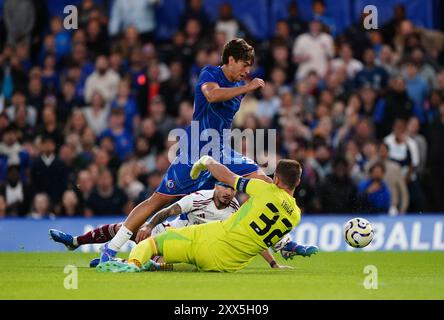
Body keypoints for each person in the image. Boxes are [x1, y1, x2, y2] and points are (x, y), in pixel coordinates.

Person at [98, 39, 270, 263]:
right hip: (195, 150)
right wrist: (247, 87)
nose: (248, 71)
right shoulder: (210, 74)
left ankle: (275, 240)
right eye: (244, 64)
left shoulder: (240, 85)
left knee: (264, 181)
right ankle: (110, 250)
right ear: (231, 60)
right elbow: (212, 95)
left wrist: (243, 88)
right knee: (158, 200)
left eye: (250, 66)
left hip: (221, 150)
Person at [96, 157, 318, 273]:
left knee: (151, 245)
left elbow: (228, 176)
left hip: (211, 239)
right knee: (182, 265)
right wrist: (276, 262)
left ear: (276, 179)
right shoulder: (295, 216)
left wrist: (207, 161)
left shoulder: (266, 189)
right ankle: (151, 265)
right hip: (229, 265)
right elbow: (264, 238)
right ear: (298, 182)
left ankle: (131, 264)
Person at [49, 183, 314, 269]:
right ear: (216, 185)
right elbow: (170, 209)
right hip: (175, 233)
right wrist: (151, 224)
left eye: (232, 191)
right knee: (128, 226)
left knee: (168, 263)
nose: (228, 194)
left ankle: (124, 264)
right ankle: (75, 242)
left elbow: (254, 239)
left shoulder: (235, 210)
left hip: (201, 250)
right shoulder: (199, 198)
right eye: (224, 188)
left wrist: (272, 263)